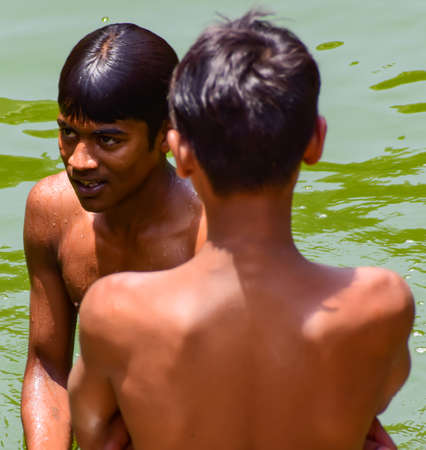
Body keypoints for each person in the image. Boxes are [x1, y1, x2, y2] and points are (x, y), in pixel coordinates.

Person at [68, 10, 414, 450]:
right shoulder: (379, 304)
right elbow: (374, 403)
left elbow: (96, 435)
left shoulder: (115, 312)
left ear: (180, 152)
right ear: (315, 141)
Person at [21, 23, 204, 449]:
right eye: (69, 132)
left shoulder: (211, 229)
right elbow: (48, 368)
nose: (79, 161)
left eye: (107, 139)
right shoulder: (52, 211)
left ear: (165, 136)